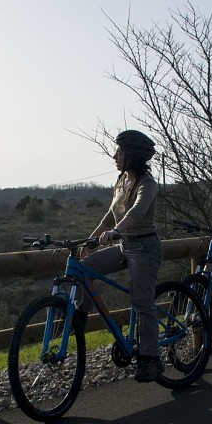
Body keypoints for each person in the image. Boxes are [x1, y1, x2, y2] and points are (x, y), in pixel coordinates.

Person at [76, 129, 164, 382]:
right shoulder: (122, 180)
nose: (114, 156)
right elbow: (110, 215)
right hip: (126, 245)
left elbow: (136, 213)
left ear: (132, 156)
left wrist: (116, 231)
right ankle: (79, 319)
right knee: (83, 269)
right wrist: (92, 241)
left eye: (120, 152)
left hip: (145, 247)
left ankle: (151, 359)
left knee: (141, 301)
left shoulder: (147, 183)